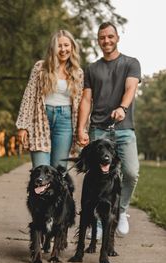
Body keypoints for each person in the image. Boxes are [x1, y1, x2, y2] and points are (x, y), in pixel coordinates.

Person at [77, 22, 141, 237]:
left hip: (124, 129)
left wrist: (122, 107)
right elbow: (86, 99)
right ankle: (97, 221)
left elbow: (131, 88)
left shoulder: (131, 63)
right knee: (96, 177)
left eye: (110, 37)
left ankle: (120, 210)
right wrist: (81, 129)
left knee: (130, 173)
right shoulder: (92, 68)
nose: (107, 41)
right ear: (98, 40)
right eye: (102, 37)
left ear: (117, 38)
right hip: (98, 130)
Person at [16, 30, 83, 169]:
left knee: (58, 171)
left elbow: (81, 103)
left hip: (65, 122)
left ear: (72, 47)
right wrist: (23, 126)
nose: (63, 49)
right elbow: (29, 96)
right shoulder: (40, 67)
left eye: (66, 45)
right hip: (40, 119)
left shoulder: (78, 73)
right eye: (59, 46)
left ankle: (57, 192)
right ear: (53, 48)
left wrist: (82, 129)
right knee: (40, 170)